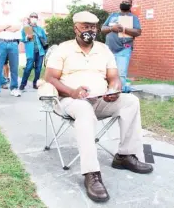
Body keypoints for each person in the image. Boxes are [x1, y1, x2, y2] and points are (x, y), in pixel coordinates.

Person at [44, 11, 153, 203]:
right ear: (75, 28)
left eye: (93, 27)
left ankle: (125, 156)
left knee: (130, 102)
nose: (90, 31)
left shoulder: (103, 49)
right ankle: (92, 174)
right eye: (85, 27)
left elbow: (114, 77)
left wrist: (114, 89)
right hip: (70, 101)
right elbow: (50, 78)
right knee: (84, 109)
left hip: (100, 100)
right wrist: (72, 92)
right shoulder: (63, 49)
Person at [101, 0, 141, 92]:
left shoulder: (133, 18)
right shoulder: (112, 15)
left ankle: (121, 93)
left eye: (127, 2)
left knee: (121, 73)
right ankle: (108, 91)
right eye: (123, 2)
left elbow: (138, 32)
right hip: (109, 49)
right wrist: (112, 28)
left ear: (130, 5)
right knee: (107, 72)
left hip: (124, 49)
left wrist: (123, 29)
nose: (124, 3)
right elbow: (103, 29)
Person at [0, 0, 21, 98]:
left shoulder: (15, 15)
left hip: (13, 43)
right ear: (2, 4)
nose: (8, 4)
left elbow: (17, 28)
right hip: (1, 43)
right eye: (6, 2)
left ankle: (14, 88)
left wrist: (3, 28)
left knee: (14, 67)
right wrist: (7, 26)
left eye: (10, 2)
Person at [19, 12, 47, 90]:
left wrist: (45, 52)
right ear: (30, 18)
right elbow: (22, 38)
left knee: (38, 69)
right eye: (32, 17)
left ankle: (35, 83)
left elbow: (45, 40)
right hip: (31, 52)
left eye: (35, 17)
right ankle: (23, 84)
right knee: (28, 68)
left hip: (40, 52)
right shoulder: (27, 28)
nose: (34, 18)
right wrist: (27, 38)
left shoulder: (40, 29)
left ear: (37, 19)